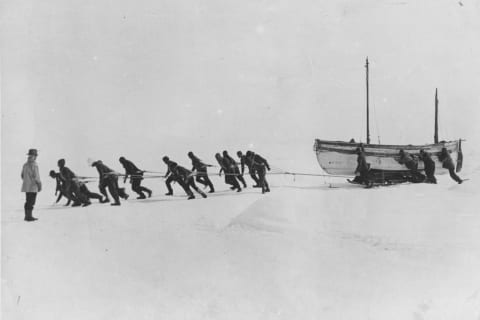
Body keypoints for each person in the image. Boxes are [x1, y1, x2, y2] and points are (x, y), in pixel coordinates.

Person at [21, 149, 42, 221]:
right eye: (35, 155)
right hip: (33, 187)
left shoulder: (25, 164)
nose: (36, 157)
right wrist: (39, 184)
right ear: (34, 156)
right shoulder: (34, 165)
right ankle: (29, 217)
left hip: (26, 186)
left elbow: (22, 175)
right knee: (31, 202)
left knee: (28, 201)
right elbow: (37, 177)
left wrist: (27, 181)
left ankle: (27, 216)